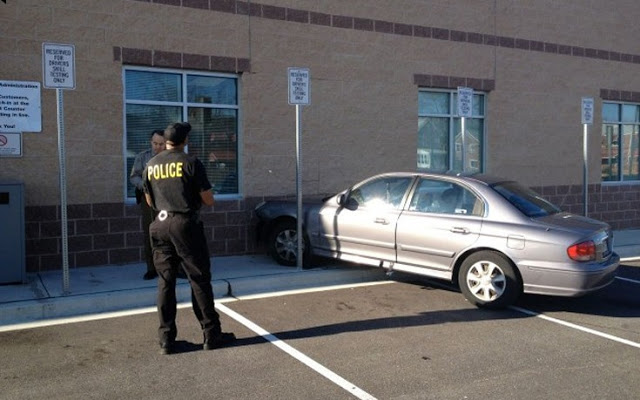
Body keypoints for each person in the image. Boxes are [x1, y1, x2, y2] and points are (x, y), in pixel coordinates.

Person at [143, 122, 235, 355]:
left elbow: (149, 201)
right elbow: (208, 199)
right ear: (185, 141)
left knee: (165, 282)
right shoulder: (191, 162)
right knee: (199, 279)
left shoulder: (151, 164)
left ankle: (166, 339)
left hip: (159, 225)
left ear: (166, 141)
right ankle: (211, 334)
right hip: (185, 225)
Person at [130, 129, 166, 280]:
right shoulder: (143, 157)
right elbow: (134, 177)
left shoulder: (171, 158)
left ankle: (171, 268)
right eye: (155, 143)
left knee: (169, 233)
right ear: (151, 142)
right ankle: (152, 268)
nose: (157, 147)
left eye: (161, 144)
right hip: (148, 200)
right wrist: (144, 186)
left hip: (167, 200)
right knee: (150, 233)